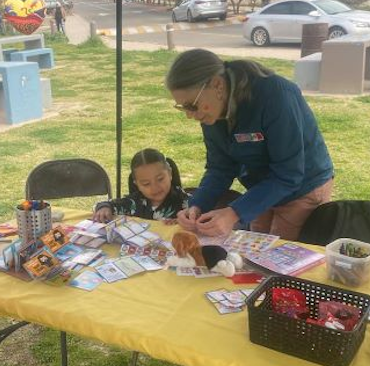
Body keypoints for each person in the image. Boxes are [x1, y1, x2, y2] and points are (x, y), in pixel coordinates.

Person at [167, 49, 334, 240]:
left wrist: (233, 213)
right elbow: (220, 167)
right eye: (182, 108)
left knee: (277, 259)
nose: (190, 115)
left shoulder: (276, 96)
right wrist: (196, 205)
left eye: (192, 105)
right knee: (254, 251)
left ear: (218, 85)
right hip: (262, 187)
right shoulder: (211, 111)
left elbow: (289, 174)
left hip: (303, 186)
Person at [93, 148, 189, 223]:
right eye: (146, 184)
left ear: (170, 174)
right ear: (137, 184)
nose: (155, 187)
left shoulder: (186, 202)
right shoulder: (133, 203)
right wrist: (104, 208)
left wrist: (186, 222)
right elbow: (106, 204)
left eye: (160, 179)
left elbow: (200, 214)